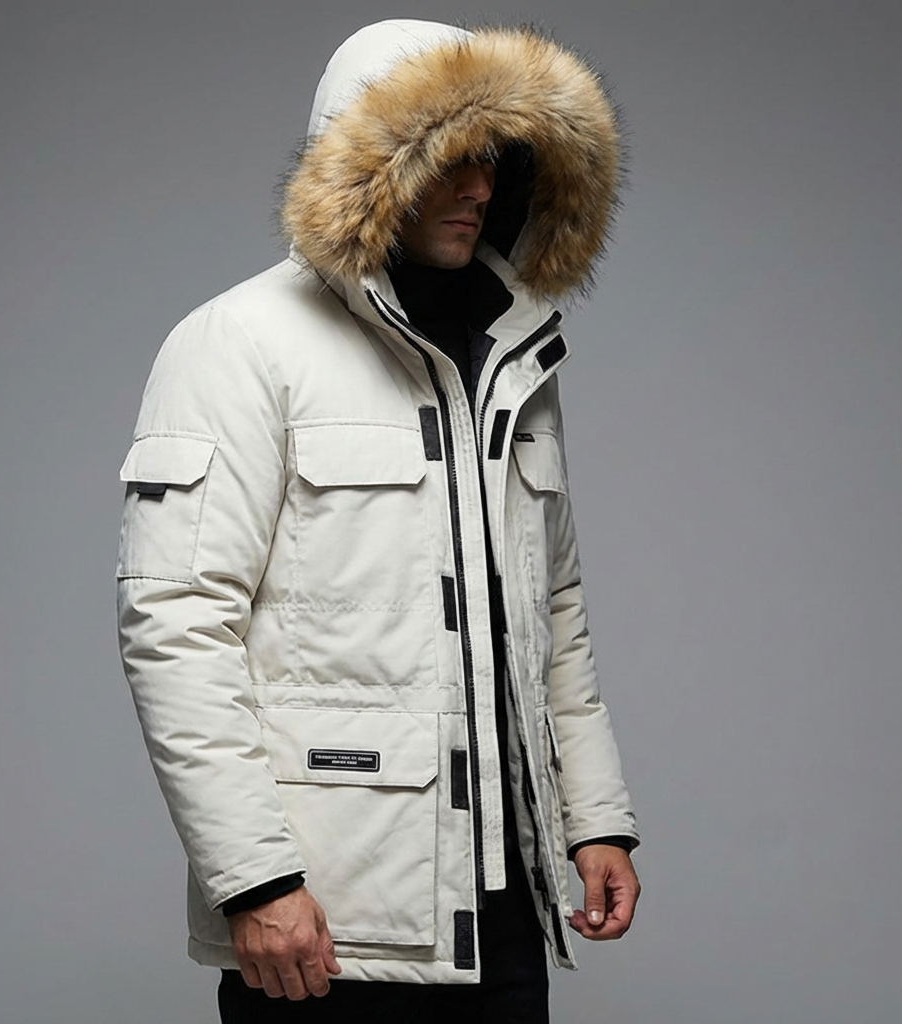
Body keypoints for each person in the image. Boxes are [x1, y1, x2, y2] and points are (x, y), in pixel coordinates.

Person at [115, 18, 641, 1023]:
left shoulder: (514, 354)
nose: (479, 188)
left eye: (496, 161)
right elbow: (175, 625)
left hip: (504, 919)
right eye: (452, 158)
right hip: (325, 927)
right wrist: (255, 881)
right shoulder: (238, 342)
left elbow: (553, 612)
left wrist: (594, 819)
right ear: (372, 166)